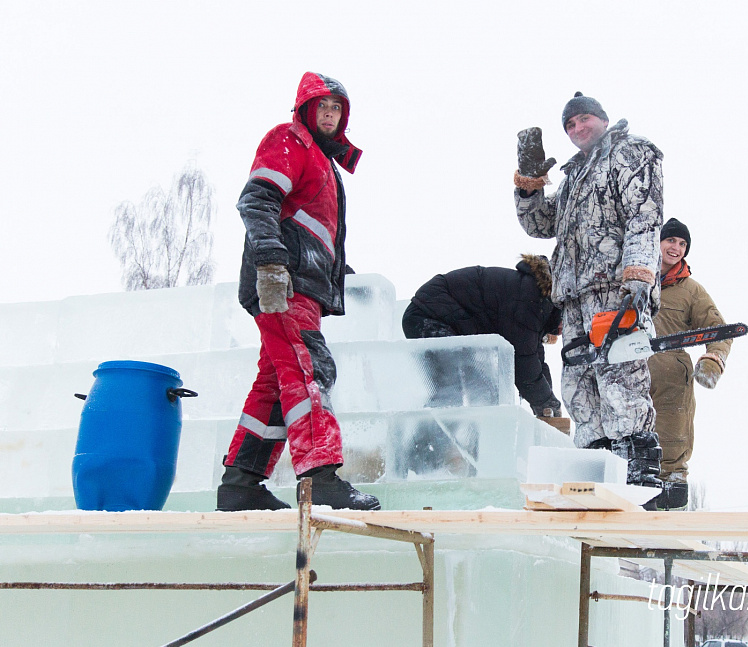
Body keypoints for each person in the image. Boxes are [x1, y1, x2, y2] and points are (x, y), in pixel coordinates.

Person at [216, 71, 380, 512]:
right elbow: (258, 200)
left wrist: (334, 272)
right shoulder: (291, 140)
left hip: (301, 283)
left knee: (275, 382)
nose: (329, 115)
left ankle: (241, 484)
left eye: (337, 110)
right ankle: (320, 478)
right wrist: (271, 262)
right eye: (322, 107)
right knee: (311, 369)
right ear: (305, 110)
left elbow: (309, 228)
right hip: (283, 283)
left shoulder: (323, 164)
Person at [513, 92, 664, 487]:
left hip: (616, 287)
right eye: (570, 126)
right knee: (580, 386)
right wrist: (530, 186)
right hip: (574, 295)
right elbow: (542, 225)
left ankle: (638, 466)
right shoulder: (574, 174)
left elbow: (644, 218)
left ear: (602, 119)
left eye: (584, 120)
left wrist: (638, 278)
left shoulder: (630, 153)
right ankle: (597, 466)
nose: (578, 129)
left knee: (620, 377)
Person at [402, 254, 563, 417]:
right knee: (456, 389)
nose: (564, 331)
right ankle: (418, 437)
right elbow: (524, 364)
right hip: (429, 315)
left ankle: (457, 439)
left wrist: (549, 405)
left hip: (444, 319)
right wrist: (545, 404)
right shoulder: (530, 298)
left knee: (481, 389)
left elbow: (535, 362)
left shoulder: (537, 304)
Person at [644, 218, 732, 511]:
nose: (676, 248)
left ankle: (671, 495)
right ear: (658, 242)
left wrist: (713, 360)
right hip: (627, 373)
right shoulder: (634, 277)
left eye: (682, 244)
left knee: (672, 435)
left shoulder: (692, 290)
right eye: (671, 241)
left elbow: (719, 329)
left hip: (671, 377)